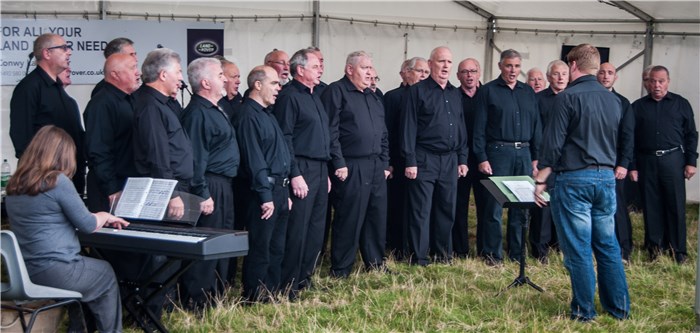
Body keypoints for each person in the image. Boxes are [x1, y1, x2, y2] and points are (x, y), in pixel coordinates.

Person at [534, 43, 630, 322]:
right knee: (608, 246)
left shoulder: (567, 98)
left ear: (573, 65)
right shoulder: (614, 100)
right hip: (606, 178)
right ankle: (619, 309)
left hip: (575, 179)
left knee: (578, 248)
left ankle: (584, 311)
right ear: (597, 67)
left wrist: (541, 179)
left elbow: (553, 144)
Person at [5, 125, 129, 333]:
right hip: (56, 270)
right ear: (63, 155)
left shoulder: (14, 186)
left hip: (25, 271)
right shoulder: (57, 181)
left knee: (84, 279)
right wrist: (104, 216)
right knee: (105, 273)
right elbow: (88, 225)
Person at [132, 48, 192, 318]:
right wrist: (172, 193)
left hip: (171, 186)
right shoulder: (149, 105)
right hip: (162, 190)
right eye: (179, 72)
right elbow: (158, 154)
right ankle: (153, 310)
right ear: (164, 74)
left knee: (171, 251)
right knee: (160, 253)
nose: (181, 77)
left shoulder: (163, 103)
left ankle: (164, 304)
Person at [320, 51, 390, 277]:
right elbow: (330, 131)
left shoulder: (374, 96)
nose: (370, 72)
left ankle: (376, 263)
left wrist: (385, 163)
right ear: (350, 69)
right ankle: (341, 268)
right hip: (351, 165)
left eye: (371, 68)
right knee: (349, 217)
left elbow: (383, 134)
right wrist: (338, 162)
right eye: (364, 68)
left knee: (376, 216)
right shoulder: (336, 91)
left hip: (376, 165)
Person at [180, 57, 240, 308]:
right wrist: (202, 193)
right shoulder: (197, 113)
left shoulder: (215, 108)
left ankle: (216, 295)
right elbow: (196, 158)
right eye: (219, 75)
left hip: (224, 184)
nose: (225, 79)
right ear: (205, 82)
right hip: (210, 184)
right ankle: (198, 300)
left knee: (222, 241)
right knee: (208, 243)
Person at [473, 49, 541, 265]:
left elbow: (537, 125)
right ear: (501, 66)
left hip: (524, 153)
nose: (513, 70)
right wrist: (482, 157)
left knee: (521, 205)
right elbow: (479, 128)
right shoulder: (488, 91)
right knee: (494, 206)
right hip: (498, 153)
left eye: (517, 66)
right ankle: (492, 254)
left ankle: (517, 252)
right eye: (509, 66)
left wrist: (536, 157)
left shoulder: (528, 92)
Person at [401, 46, 468, 266]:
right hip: (424, 158)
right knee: (421, 210)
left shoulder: (454, 93)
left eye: (449, 62)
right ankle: (419, 257)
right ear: (430, 65)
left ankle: (443, 254)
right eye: (441, 62)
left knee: (446, 208)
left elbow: (460, 126)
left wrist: (462, 158)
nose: (445, 66)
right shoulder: (417, 91)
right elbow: (407, 128)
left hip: (449, 160)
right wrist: (410, 160)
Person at [275, 49, 331, 299]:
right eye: (316, 66)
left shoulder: (315, 95)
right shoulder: (289, 97)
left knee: (316, 228)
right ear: (300, 70)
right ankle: (289, 283)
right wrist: (295, 173)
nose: (320, 69)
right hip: (302, 167)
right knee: (298, 228)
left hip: (320, 168)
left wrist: (327, 171)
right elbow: (284, 138)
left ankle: (304, 278)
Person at [630, 65, 698, 263]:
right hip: (646, 161)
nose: (657, 85)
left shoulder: (681, 104)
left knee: (675, 205)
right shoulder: (638, 107)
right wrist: (633, 166)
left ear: (668, 81)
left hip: (673, 160)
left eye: (661, 81)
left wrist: (691, 162)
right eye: (653, 81)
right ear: (647, 82)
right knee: (651, 206)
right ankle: (654, 249)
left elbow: (691, 135)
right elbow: (630, 139)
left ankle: (678, 250)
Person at [237, 65, 292, 302]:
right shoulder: (248, 115)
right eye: (274, 83)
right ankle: (255, 296)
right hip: (263, 191)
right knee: (260, 247)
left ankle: (272, 291)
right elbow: (254, 159)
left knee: (276, 247)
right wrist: (265, 196)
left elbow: (280, 153)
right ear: (257, 85)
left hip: (279, 188)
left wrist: (284, 188)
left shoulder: (267, 113)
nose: (279, 88)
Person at [10, 33, 86, 195]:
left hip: (71, 180)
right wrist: (39, 177)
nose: (69, 52)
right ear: (46, 53)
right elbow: (21, 137)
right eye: (64, 48)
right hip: (45, 184)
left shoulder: (61, 93)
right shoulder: (29, 88)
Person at [383, 56, 429, 259]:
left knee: (419, 207)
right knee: (398, 204)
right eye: (420, 71)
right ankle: (397, 247)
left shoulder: (429, 95)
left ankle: (417, 246)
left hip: (422, 159)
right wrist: (390, 162)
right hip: (399, 160)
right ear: (405, 73)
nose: (423, 76)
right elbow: (388, 132)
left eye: (426, 72)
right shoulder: (393, 97)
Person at [84, 53, 141, 213]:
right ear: (115, 74)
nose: (138, 73)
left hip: (132, 184)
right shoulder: (101, 104)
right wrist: (112, 189)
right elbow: (99, 150)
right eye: (132, 68)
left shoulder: (133, 99)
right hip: (112, 188)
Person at [528, 59, 569, 263]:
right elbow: (535, 131)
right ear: (548, 77)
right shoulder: (538, 100)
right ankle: (539, 250)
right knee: (542, 205)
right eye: (556, 74)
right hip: (545, 160)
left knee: (563, 204)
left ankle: (560, 246)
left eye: (564, 74)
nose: (560, 77)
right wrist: (537, 159)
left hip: (567, 161)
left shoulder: (573, 98)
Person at [597, 62, 635, 263]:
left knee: (617, 207)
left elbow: (628, 136)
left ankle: (624, 249)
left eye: (610, 73)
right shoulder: (589, 99)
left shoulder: (623, 102)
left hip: (614, 165)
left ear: (615, 77)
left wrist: (623, 164)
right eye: (601, 72)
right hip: (592, 163)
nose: (605, 76)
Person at [453, 57, 483, 259]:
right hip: (459, 160)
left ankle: (484, 249)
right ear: (458, 76)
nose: (469, 75)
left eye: (472, 71)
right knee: (459, 205)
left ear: (479, 73)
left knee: (485, 206)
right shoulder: (452, 96)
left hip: (483, 159)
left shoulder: (488, 94)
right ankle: (460, 249)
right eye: (464, 72)